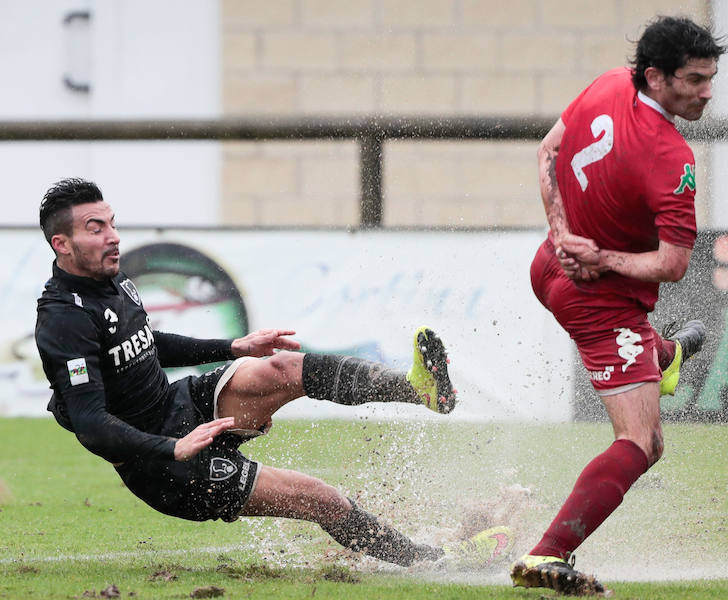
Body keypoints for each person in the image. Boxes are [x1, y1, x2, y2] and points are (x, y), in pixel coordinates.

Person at [34, 177, 510, 570]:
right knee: (321, 498)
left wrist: (233, 346)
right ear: (63, 243)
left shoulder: (110, 279)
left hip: (182, 405)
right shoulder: (63, 319)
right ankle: (432, 562)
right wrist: (172, 447)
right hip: (163, 466)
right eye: (96, 228)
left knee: (279, 367)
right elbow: (92, 423)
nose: (113, 236)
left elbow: (146, 343)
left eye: (112, 223)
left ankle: (418, 390)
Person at [510, 16, 728, 595]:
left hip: (548, 267)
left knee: (642, 357)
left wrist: (560, 235)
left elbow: (548, 151)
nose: (707, 91)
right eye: (695, 79)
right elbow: (672, 264)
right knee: (643, 442)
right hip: (600, 302)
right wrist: (602, 258)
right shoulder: (671, 158)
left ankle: (666, 353)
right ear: (656, 77)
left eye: (711, 78)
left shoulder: (609, 81)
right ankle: (546, 555)